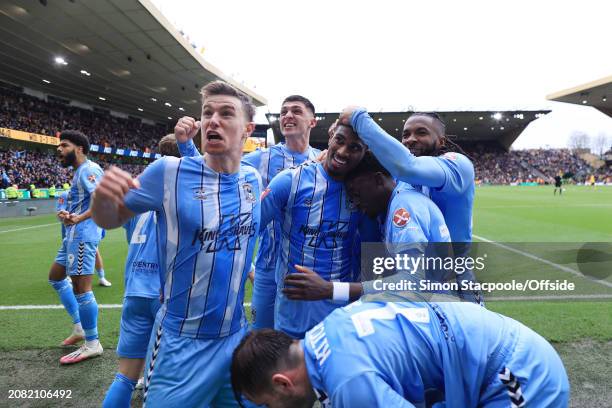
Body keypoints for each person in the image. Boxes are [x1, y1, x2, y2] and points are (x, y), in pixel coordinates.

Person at [92, 81, 261, 407]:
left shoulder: (252, 180)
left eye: (226, 114)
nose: (213, 120)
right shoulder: (168, 173)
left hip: (236, 338)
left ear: (247, 130)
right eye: (207, 113)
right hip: (180, 344)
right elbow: (110, 218)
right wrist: (102, 198)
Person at [231, 298, 570, 408]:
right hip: (500, 351)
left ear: (283, 383)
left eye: (266, 404)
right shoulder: (328, 329)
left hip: (517, 373)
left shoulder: (349, 382)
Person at [178, 95, 321, 330]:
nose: (287, 116)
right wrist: (186, 145)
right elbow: (212, 171)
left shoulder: (321, 160)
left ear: (312, 122)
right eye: (284, 111)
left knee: (300, 336)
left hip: (303, 267)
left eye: (296, 111)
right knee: (263, 335)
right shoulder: (263, 158)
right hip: (267, 264)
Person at [339, 108, 481, 303]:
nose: (410, 139)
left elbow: (407, 166)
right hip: (418, 287)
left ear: (441, 141)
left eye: (421, 132)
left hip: (454, 284)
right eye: (405, 134)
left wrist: (358, 117)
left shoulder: (457, 166)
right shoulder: (402, 181)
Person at [283, 152, 454, 303]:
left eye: (357, 194)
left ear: (379, 180)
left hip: (440, 310)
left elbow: (412, 280)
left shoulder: (403, 208)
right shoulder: (395, 199)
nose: (356, 204)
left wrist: (330, 290)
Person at [259, 123, 378, 339]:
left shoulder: (361, 192)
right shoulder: (290, 181)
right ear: (331, 136)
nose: (343, 152)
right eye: (340, 141)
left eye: (354, 148)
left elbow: (373, 262)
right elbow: (247, 229)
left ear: (364, 152)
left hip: (340, 315)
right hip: (292, 313)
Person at [102, 134, 181, 408]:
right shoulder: (184, 194)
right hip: (166, 294)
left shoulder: (136, 197)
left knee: (124, 376)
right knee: (170, 380)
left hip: (134, 289)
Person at [48, 130, 104, 364]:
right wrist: (69, 215)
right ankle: (79, 327)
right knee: (56, 277)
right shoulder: (79, 171)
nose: (59, 149)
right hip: (72, 235)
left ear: (79, 148)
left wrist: (78, 219)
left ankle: (92, 343)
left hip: (82, 236)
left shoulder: (89, 170)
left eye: (64, 145)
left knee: (82, 289)